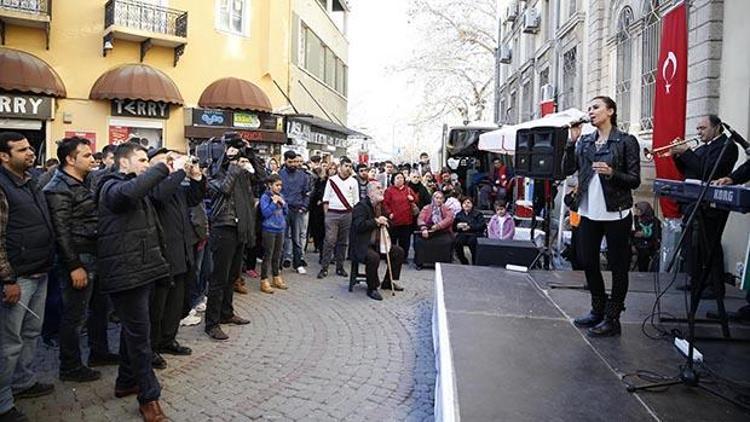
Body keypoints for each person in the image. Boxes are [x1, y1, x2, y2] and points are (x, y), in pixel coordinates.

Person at [96, 142, 171, 420]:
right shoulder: (109, 185)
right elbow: (126, 195)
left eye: (146, 160)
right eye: (141, 160)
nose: (146, 165)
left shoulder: (137, 185)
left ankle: (125, 382)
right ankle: (149, 398)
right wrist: (162, 167)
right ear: (122, 163)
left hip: (142, 270)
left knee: (134, 332)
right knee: (141, 338)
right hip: (126, 274)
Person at [564, 96, 641, 337]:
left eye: (596, 107)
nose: (591, 111)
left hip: (616, 212)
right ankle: (597, 309)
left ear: (610, 111)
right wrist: (570, 143)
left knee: (619, 267)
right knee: (587, 260)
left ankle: (613, 317)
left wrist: (612, 172)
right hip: (588, 210)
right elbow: (567, 170)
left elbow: (635, 180)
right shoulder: (585, 142)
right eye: (589, 108)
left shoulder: (626, 141)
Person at [0, 132, 56, 421]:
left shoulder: (31, 180)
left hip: (40, 269)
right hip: (17, 278)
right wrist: (7, 279)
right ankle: (3, 401)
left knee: (31, 333)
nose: (30, 152)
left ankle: (23, 382)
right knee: (9, 343)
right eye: (21, 150)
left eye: (30, 148)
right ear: (4, 156)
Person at [43, 137, 103, 383]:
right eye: (87, 155)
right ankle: (70, 366)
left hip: (93, 253)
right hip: (79, 257)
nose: (92, 159)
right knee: (74, 316)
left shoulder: (85, 182)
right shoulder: (58, 188)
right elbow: (61, 232)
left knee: (97, 309)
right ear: (70, 159)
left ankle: (99, 352)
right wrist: (74, 265)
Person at [147, 148, 206, 364]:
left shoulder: (175, 185)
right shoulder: (152, 185)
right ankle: (152, 347)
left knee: (177, 303)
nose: (169, 164)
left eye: (171, 160)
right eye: (164, 161)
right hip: (162, 256)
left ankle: (168, 339)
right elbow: (160, 195)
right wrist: (178, 172)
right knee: (158, 307)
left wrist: (197, 177)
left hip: (181, 252)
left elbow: (194, 198)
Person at [670, 114, 738, 298]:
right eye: (698, 129)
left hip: (711, 205)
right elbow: (688, 170)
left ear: (716, 127)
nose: (699, 132)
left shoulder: (726, 146)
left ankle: (714, 287)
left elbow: (707, 170)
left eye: (703, 128)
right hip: (693, 201)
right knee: (694, 246)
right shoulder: (704, 147)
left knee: (710, 245)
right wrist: (677, 155)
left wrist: (686, 152)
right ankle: (697, 280)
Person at [204, 143, 256, 341]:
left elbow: (260, 178)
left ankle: (227, 313)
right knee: (218, 277)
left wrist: (249, 154)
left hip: (239, 226)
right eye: (231, 154)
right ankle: (212, 323)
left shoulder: (240, 172)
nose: (235, 158)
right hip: (223, 227)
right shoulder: (213, 174)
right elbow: (224, 190)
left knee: (233, 274)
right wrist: (234, 167)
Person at [351, 181, 405, 301]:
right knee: (373, 257)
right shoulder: (361, 207)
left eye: (382, 188)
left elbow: (391, 223)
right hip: (363, 244)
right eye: (378, 188)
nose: (382, 190)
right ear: (370, 193)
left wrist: (387, 222)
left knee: (398, 252)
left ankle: (388, 282)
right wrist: (376, 221)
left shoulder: (381, 206)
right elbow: (359, 226)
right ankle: (372, 287)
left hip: (379, 243)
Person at [318, 157, 359, 279]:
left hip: (347, 213)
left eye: (350, 166)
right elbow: (326, 199)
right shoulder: (332, 180)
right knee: (330, 241)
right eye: (346, 166)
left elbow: (356, 201)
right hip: (332, 214)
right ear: (340, 166)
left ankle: (340, 267)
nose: (348, 168)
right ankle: (324, 267)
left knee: (343, 242)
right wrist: (327, 216)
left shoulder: (353, 182)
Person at [279, 151, 310, 274]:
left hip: (297, 210)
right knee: (281, 238)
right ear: (285, 161)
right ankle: (279, 265)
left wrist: (304, 207)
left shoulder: (303, 176)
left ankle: (298, 264)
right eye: (290, 162)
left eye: (294, 162)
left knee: (296, 239)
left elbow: (307, 193)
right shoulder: (280, 175)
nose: (292, 164)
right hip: (282, 210)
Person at [259, 174, 289, 294]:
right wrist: (273, 203)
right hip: (269, 229)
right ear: (269, 185)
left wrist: (284, 204)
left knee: (278, 254)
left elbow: (286, 212)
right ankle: (264, 279)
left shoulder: (281, 196)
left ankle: (276, 277)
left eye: (280, 185)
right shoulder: (265, 197)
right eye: (277, 185)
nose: (279, 188)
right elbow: (265, 213)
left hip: (280, 228)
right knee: (268, 254)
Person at [413, 191, 455, 270]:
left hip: (443, 231)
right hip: (428, 230)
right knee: (420, 242)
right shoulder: (426, 208)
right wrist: (424, 228)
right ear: (433, 199)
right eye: (437, 198)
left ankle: (443, 263)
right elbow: (420, 219)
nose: (438, 200)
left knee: (446, 242)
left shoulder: (447, 208)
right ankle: (420, 262)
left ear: (443, 200)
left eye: (441, 198)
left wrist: (439, 226)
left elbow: (449, 219)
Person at [383, 173, 419, 261]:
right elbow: (385, 204)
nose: (400, 180)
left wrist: (412, 199)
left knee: (405, 241)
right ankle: (392, 257)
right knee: (392, 240)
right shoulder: (389, 191)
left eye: (402, 178)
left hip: (407, 220)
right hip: (394, 221)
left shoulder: (408, 190)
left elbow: (416, 200)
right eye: (397, 178)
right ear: (393, 180)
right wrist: (389, 213)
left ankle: (403, 257)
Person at [453, 197, 486, 265]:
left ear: (472, 204)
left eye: (468, 203)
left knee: (472, 242)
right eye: (464, 203)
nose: (466, 205)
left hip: (475, 233)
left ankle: (475, 261)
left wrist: (470, 227)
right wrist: (458, 226)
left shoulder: (478, 214)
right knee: (457, 242)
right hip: (463, 233)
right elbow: (454, 227)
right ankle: (464, 261)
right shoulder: (459, 214)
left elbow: (482, 226)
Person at [632, 201, 661, 272]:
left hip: (651, 242)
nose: (637, 211)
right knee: (643, 252)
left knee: (651, 251)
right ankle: (642, 271)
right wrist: (636, 234)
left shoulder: (654, 220)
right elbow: (631, 232)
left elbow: (658, 233)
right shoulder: (635, 219)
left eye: (639, 209)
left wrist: (646, 234)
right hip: (638, 243)